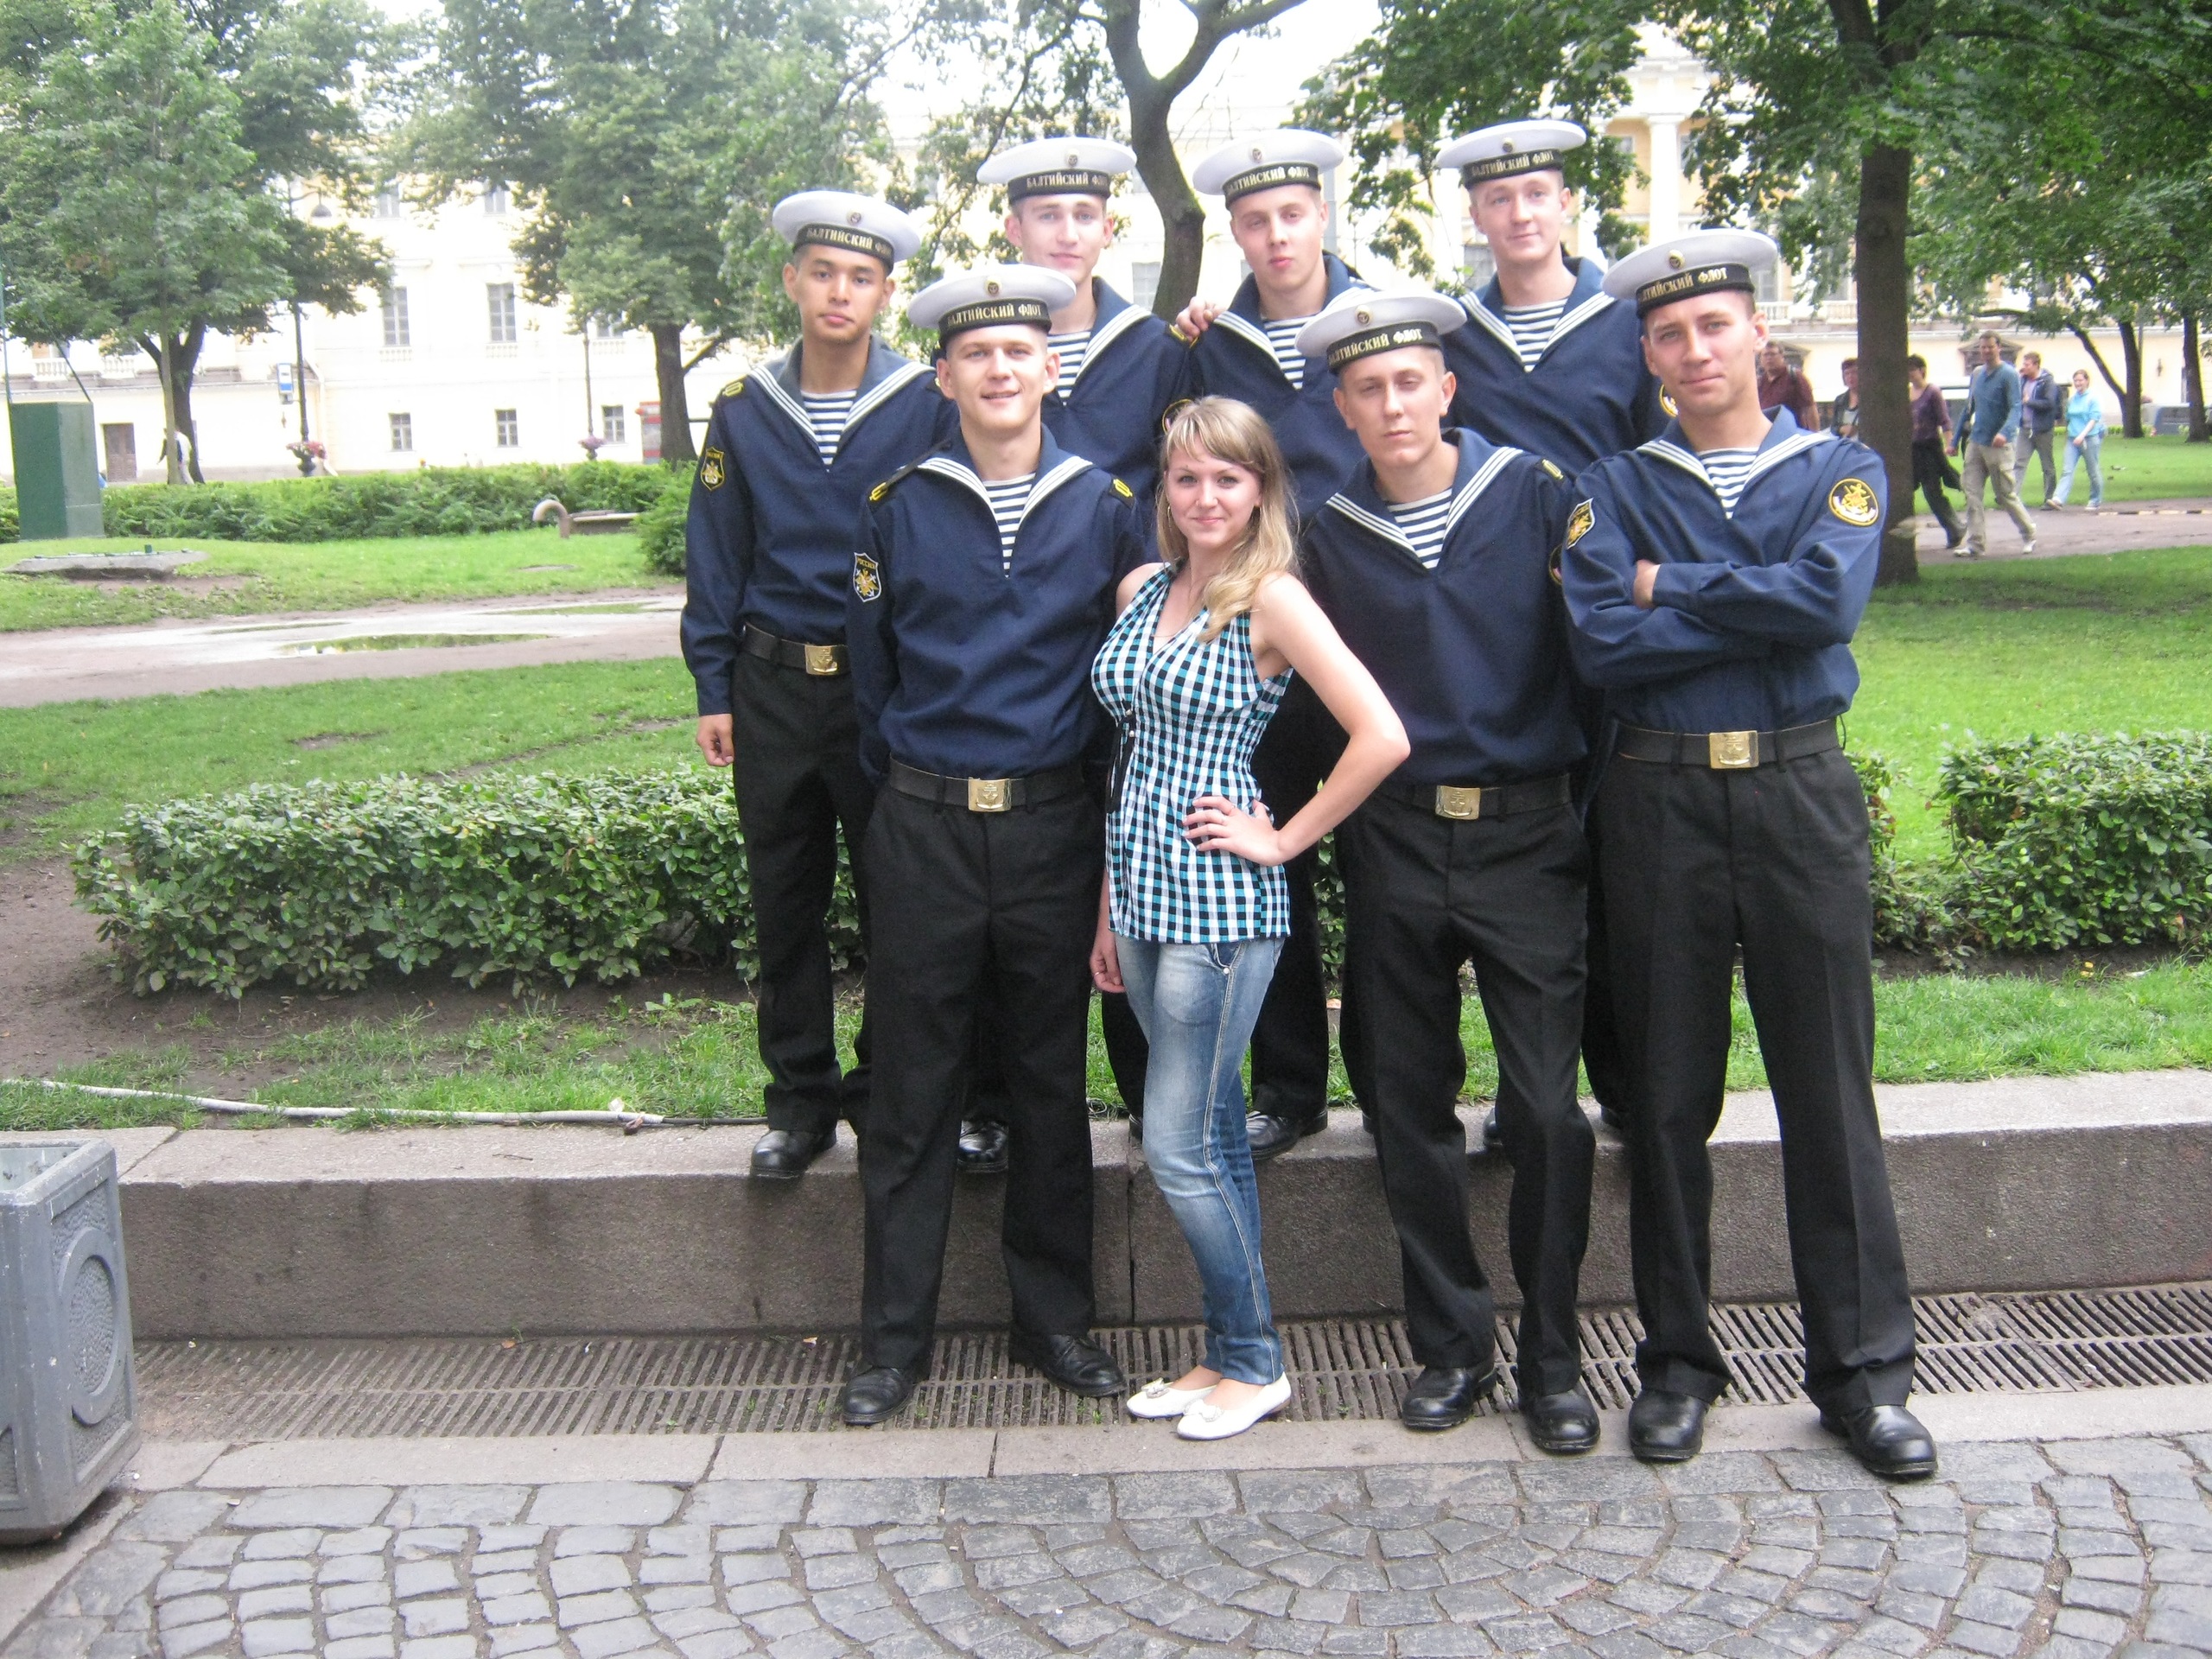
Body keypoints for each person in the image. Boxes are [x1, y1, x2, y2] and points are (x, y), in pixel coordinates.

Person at [1560, 229, 1936, 1482]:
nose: (1693, 349)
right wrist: (1751, 597)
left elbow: (1829, 605)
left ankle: (1864, 1377)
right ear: (1648, 357)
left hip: (1797, 796)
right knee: (1665, 1099)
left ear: (1756, 335)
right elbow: (1601, 644)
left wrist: (1670, 585)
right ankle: (1676, 1366)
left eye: (1713, 325)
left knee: (1828, 1089)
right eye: (1668, 334)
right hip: (1656, 803)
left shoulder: (1840, 466)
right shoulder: (1613, 484)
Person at [1298, 289, 1603, 1451]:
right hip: (1397, 837)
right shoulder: (1326, 537)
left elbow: (1592, 660)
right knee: (1405, 1101)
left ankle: (1555, 1359)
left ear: (1447, 388)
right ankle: (1453, 1345)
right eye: (1367, 389)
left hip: (1528, 835)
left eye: (1409, 383)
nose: (1392, 406)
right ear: (1342, 407)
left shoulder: (1534, 494)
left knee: (1547, 1111)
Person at [840, 264, 1143, 1426]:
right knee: (912, 1090)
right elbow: (873, 681)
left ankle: (1054, 1321)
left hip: (1053, 829)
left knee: (1049, 1084)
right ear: (944, 377)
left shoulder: (1107, 506)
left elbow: (1121, 683)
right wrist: (915, 795)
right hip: (922, 826)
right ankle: (892, 1342)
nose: (1000, 369)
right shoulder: (896, 506)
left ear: (1050, 369)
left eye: (1019, 351)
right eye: (976, 354)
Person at [1093, 397, 1406, 1441]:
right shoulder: (1144, 589)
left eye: (1226, 478)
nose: (1204, 496)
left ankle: (1258, 1364)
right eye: (1186, 478)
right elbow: (1129, 756)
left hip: (1219, 908)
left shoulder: (1270, 598)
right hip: (1139, 895)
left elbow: (1380, 734)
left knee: (1177, 1146)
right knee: (1215, 1135)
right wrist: (1105, 908)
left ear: (1260, 489)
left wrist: (1282, 838)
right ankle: (1229, 1352)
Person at [681, 191, 944, 1179]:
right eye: (822, 273)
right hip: (772, 688)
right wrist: (714, 686)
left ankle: (883, 1094)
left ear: (885, 293)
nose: (840, 292)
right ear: (791, 280)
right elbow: (717, 555)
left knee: (896, 900)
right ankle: (797, 1101)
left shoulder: (924, 403)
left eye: (861, 277)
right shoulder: (744, 409)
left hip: (881, 689)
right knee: (783, 900)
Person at [954, 136, 1195, 1172]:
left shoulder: (1157, 351)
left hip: (1134, 641)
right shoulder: (984, 341)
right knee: (1005, 892)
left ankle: (1148, 1092)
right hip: (1020, 649)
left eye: (1083, 215)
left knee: (1136, 860)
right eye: (1043, 215)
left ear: (1108, 227)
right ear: (1013, 228)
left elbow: (1190, 476)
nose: (1063, 232)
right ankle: (993, 1101)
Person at [1433, 116, 1667, 1153]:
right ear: (1475, 215)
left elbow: (1659, 466)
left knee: (1610, 857)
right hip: (1492, 633)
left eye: (1536, 194)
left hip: (1604, 627)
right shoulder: (1452, 336)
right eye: (1498, 199)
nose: (1519, 213)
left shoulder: (1627, 324)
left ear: (1566, 203)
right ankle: (1524, 1095)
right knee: (1514, 869)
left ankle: (1619, 1081)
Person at [1168, 129, 1374, 1162]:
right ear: (1234, 233)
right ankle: (1291, 1087)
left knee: (1388, 870)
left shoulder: (1381, 319)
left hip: (1377, 631)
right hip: (1260, 642)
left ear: (1321, 215)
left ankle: (1393, 1080)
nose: (1276, 235)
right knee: (1266, 855)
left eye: (1292, 213)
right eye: (1254, 221)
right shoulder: (1211, 344)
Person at [1951, 330, 2037, 557]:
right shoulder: (1977, 373)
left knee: (2005, 495)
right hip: (1976, 441)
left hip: (1999, 445)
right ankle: (1976, 544)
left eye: (1990, 346)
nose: (1986, 351)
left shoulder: (2008, 374)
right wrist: (1954, 440)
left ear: (1998, 348)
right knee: (1972, 494)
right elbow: (1969, 408)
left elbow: (2016, 407)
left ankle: (2029, 533)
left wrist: (2005, 432)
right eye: (1983, 347)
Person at [1907, 354, 1964, 550]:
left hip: (1929, 449)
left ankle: (1955, 529)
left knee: (1932, 492)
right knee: (1904, 491)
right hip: (1912, 450)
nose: (1909, 374)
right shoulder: (1907, 393)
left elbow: (1944, 420)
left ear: (1922, 370)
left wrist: (1950, 444)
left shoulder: (1932, 392)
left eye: (1912, 370)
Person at [2014, 350, 2061, 507]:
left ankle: (2049, 499)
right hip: (2025, 429)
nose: (2024, 367)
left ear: (2036, 365)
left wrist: (2030, 402)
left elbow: (2050, 403)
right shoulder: (2023, 380)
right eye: (2024, 364)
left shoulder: (2047, 382)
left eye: (2027, 364)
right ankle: (2013, 498)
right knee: (2019, 463)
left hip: (2043, 430)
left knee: (2047, 466)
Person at [2054, 369, 2107, 509]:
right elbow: (2068, 418)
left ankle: (2095, 499)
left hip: (2089, 438)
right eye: (2076, 381)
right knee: (2067, 470)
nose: (2078, 383)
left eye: (2080, 380)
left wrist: (2082, 435)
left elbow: (2093, 419)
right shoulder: (2072, 400)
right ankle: (2058, 498)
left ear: (2087, 381)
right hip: (2072, 439)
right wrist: (2069, 434)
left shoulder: (2093, 398)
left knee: (2093, 470)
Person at [1756, 339, 1817, 429]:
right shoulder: (1760, 382)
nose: (1769, 358)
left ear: (1782, 356)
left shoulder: (1795, 377)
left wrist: (1814, 433)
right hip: (1767, 433)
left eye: (1772, 354)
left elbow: (1810, 408)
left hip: (1791, 432)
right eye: (1765, 355)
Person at [1828, 357, 1861, 441]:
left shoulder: (1870, 400)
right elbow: (1833, 427)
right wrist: (1842, 429)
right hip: (1846, 445)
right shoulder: (1840, 400)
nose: (1850, 377)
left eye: (1854, 372)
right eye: (1847, 373)